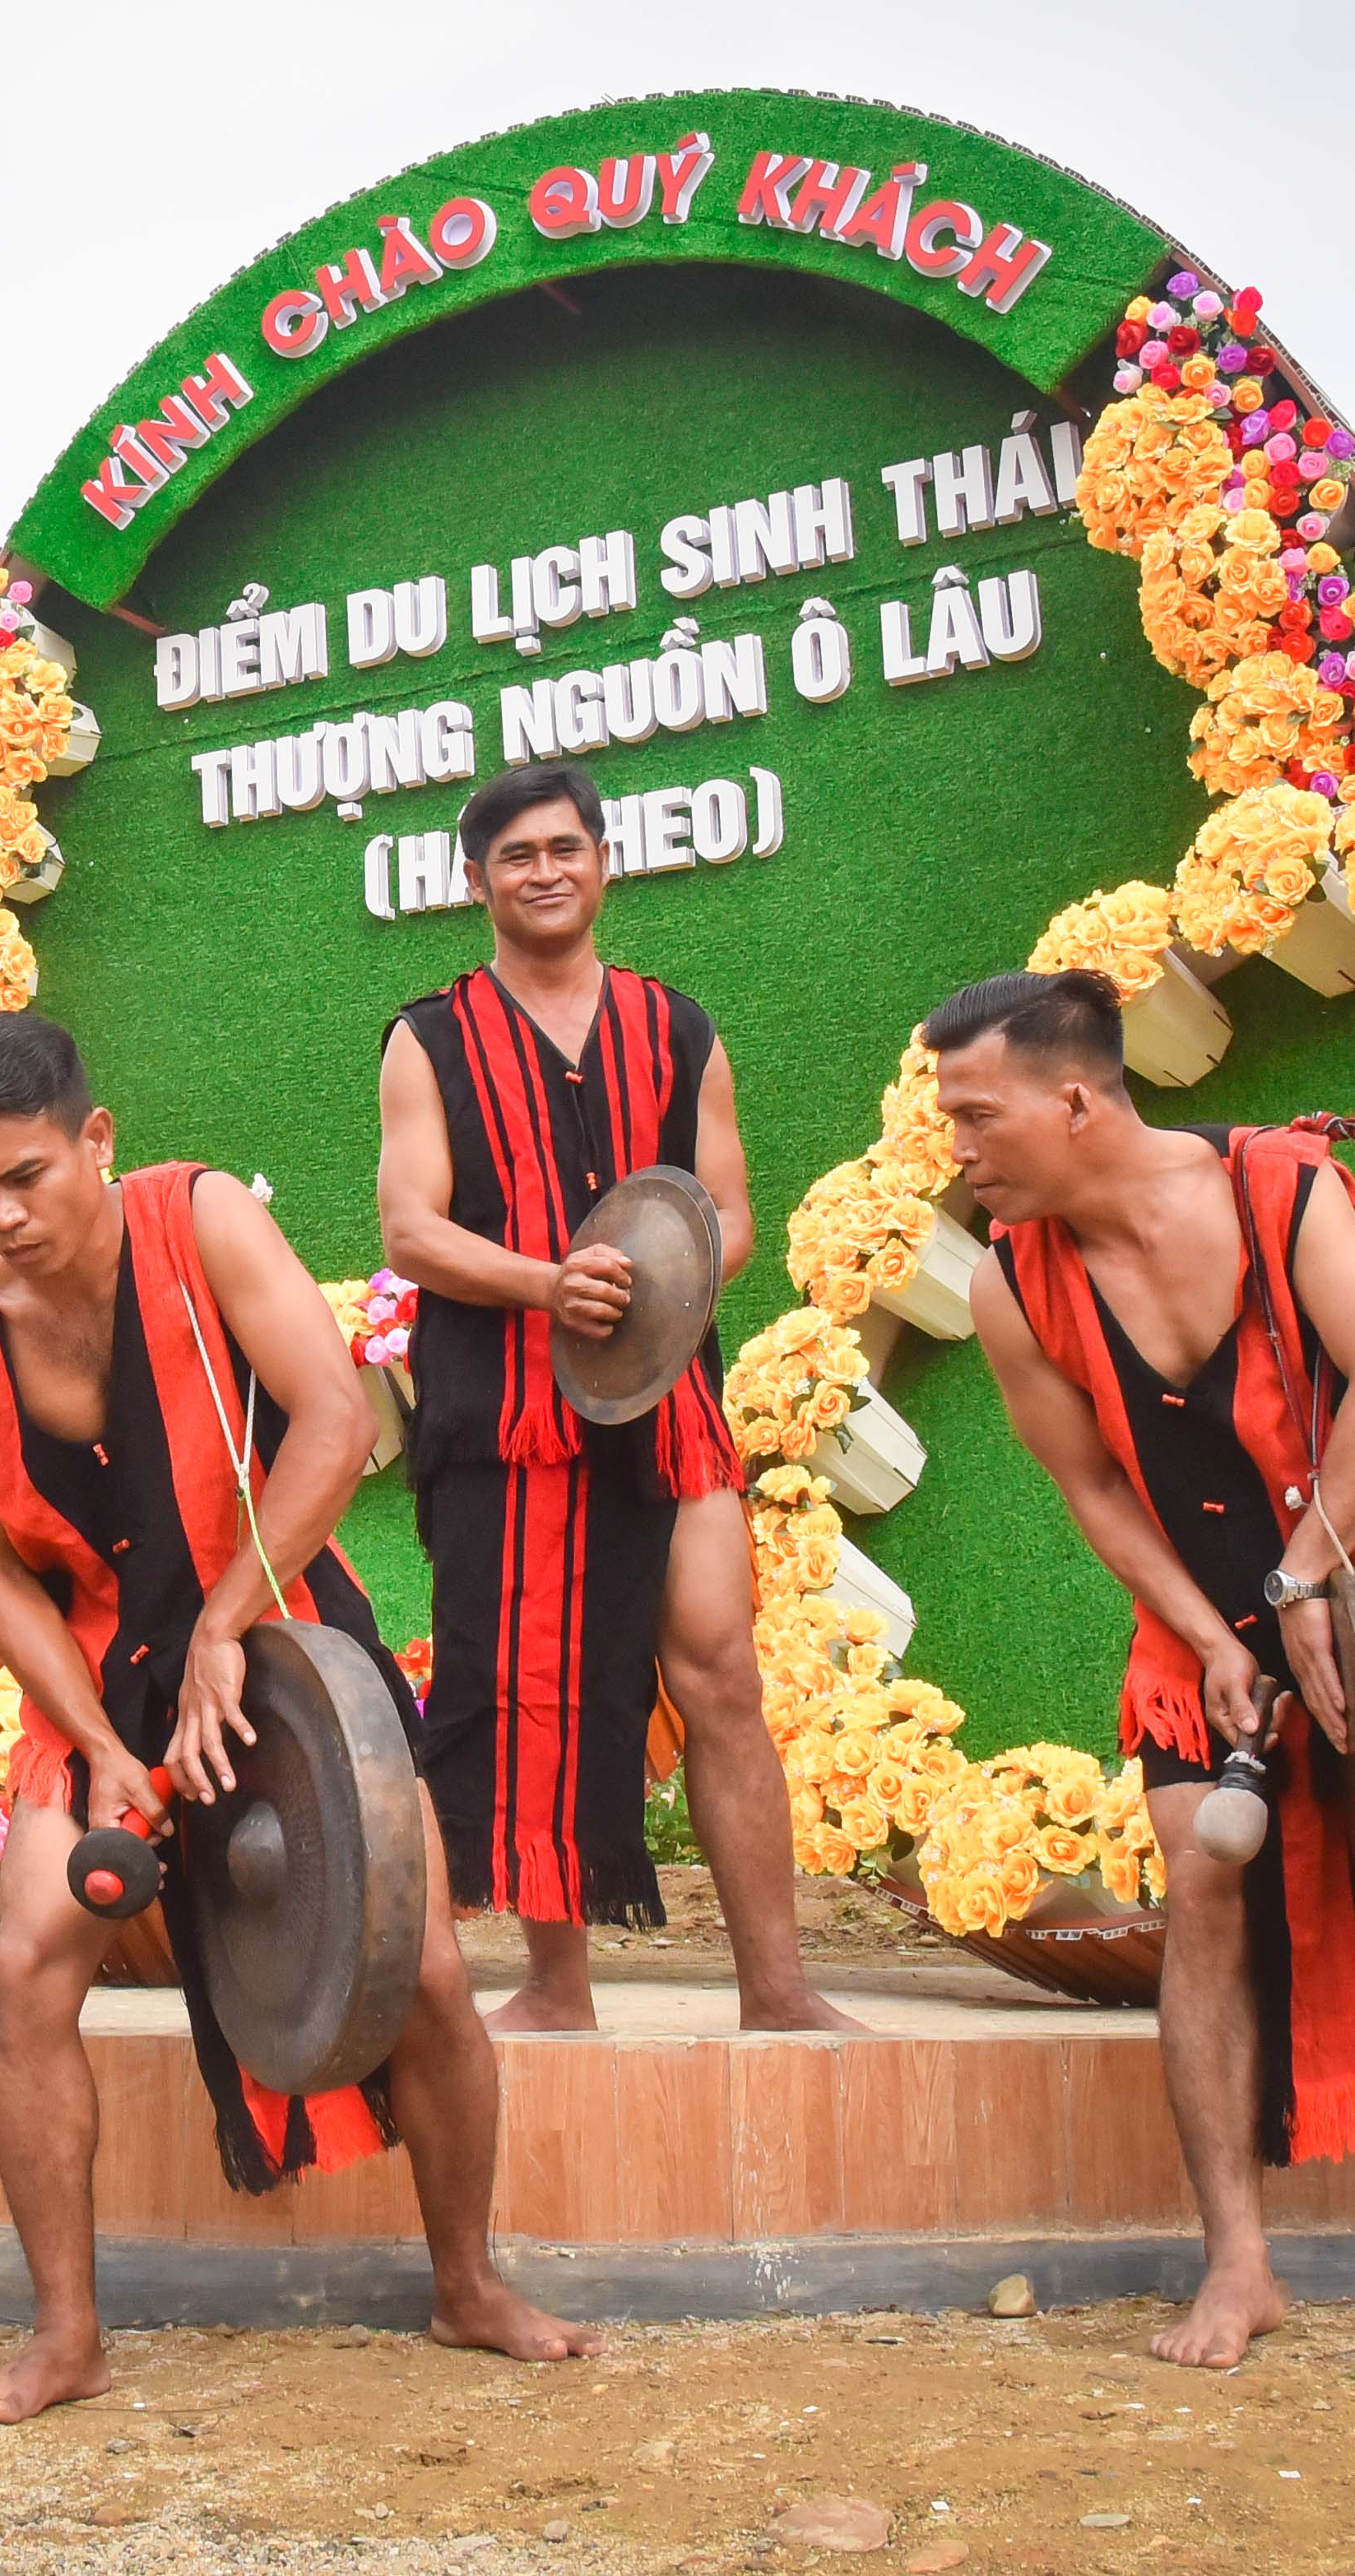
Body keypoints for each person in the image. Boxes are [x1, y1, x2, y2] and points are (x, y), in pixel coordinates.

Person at [0, 1011, 598, 2423]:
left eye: (27, 1175)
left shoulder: (201, 1215)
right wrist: (99, 1745)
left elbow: (336, 1419)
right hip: (101, 1668)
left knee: (431, 1978)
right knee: (30, 1958)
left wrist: (227, 1620)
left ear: (95, 1138)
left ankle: (466, 2284)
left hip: (279, 1627)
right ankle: (66, 2336)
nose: (1, 1216)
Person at [931, 967, 1355, 2368]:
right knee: (1206, 1899)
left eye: (977, 1116)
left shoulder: (1282, 1188)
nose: (958, 1150)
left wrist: (1300, 1577)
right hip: (1199, 1623)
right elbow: (1094, 1489)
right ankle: (1237, 2261)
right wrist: (1205, 1628)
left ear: (1074, 1098)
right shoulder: (1007, 1284)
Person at [375, 760, 849, 2035]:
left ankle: (779, 1990)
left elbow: (728, 1211)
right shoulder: (427, 1036)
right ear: (473, 882)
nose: (545, 871)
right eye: (516, 854)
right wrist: (544, 1284)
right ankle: (556, 1986)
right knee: (535, 1683)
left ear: (603, 862)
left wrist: (666, 1294)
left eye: (565, 848)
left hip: (667, 1407)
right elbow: (410, 1231)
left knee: (721, 1675)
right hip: (505, 1416)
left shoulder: (677, 1025)